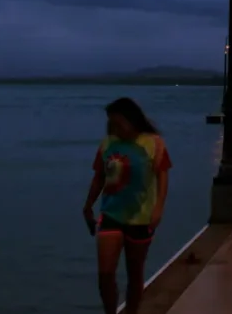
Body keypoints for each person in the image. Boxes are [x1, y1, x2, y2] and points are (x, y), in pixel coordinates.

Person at [82, 98, 172, 314]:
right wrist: (87, 206)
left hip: (141, 217)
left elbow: (163, 176)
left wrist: (158, 208)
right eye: (111, 123)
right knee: (105, 275)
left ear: (132, 119)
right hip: (111, 214)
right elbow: (98, 178)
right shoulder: (108, 144)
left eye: (118, 122)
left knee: (134, 272)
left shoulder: (153, 143)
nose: (115, 128)